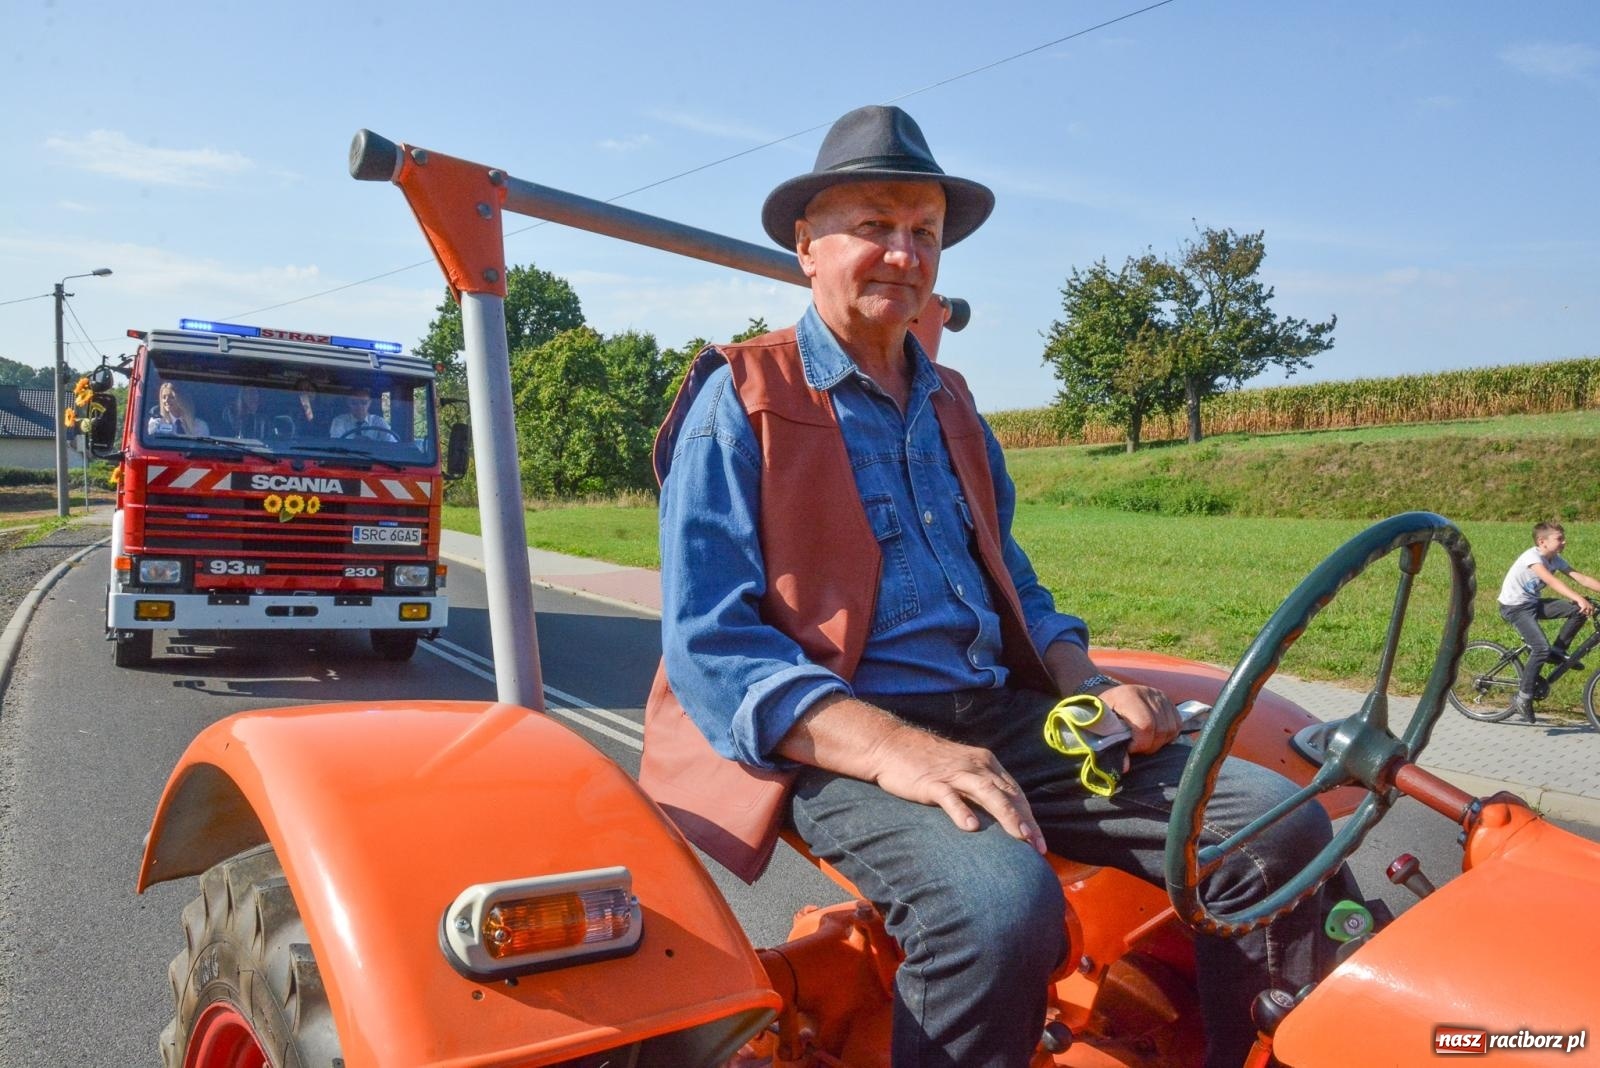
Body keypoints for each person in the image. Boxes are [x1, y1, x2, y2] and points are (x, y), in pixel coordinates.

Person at [648, 105, 1344, 1068]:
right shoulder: (741, 397)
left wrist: (1085, 680)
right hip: (839, 738)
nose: (905, 254)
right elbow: (710, 645)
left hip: (994, 713)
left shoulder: (953, 403)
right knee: (998, 908)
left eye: (924, 232)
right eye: (875, 225)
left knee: (1278, 827)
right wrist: (896, 749)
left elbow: (1010, 579)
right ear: (807, 246)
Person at [1497, 521, 1600, 722]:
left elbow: (1582, 579)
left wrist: (1581, 600)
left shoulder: (1555, 559)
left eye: (1564, 538)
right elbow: (1553, 582)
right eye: (1559, 538)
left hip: (1532, 603)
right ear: (1542, 541)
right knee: (1541, 648)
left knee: (1578, 610)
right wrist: (1579, 598)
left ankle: (1558, 651)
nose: (1564, 541)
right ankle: (1523, 697)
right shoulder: (1532, 558)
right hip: (1514, 608)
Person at [327, 386, 393, 439]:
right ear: (348, 403)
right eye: (354, 403)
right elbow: (336, 444)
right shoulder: (339, 421)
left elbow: (392, 444)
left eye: (364, 402)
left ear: (370, 403)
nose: (359, 407)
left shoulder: (379, 422)